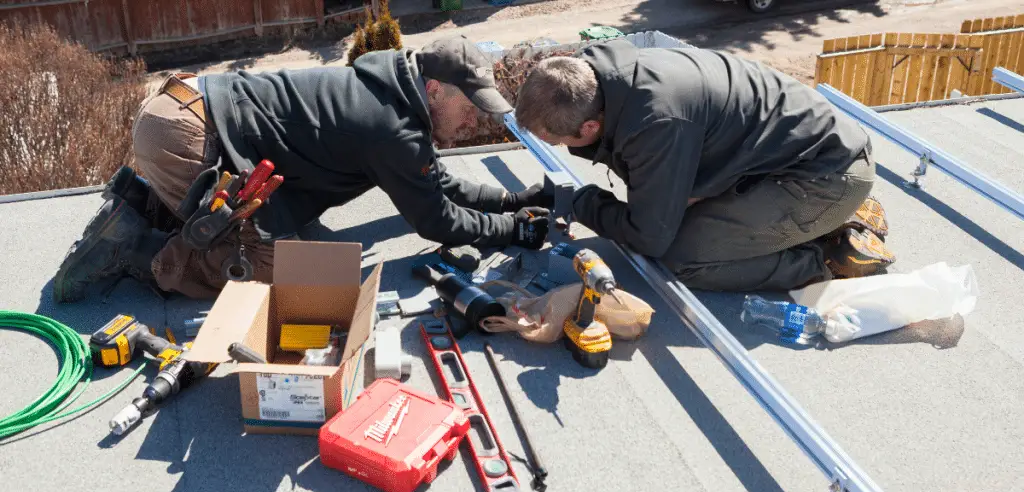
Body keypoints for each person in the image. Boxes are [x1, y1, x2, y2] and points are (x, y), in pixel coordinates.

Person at [52, 36, 553, 303]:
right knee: (299, 275)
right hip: (187, 136)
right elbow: (436, 220)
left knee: (280, 235)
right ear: (436, 90)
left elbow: (434, 183)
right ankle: (139, 254)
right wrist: (512, 232)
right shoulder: (392, 129)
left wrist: (509, 202)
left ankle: (140, 207)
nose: (473, 120)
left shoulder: (389, 91)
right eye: (470, 106)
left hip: (180, 109)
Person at [512, 39, 895, 292]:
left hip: (822, 177)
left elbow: (650, 237)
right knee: (678, 220)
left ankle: (825, 254)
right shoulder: (612, 80)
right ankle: (828, 218)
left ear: (591, 125)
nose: (560, 148)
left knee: (683, 257)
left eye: (560, 141)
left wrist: (585, 203)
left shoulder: (656, 121)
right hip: (789, 157)